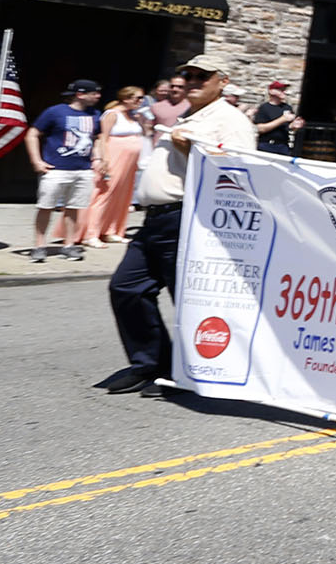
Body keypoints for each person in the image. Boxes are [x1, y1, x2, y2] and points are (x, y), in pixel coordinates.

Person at [103, 58, 255, 395]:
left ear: (223, 81)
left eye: (203, 76)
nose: (193, 80)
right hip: (156, 220)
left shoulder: (231, 120)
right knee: (126, 287)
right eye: (188, 74)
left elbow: (241, 173)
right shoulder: (191, 115)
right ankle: (150, 363)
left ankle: (187, 372)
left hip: (187, 217)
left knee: (187, 300)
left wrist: (192, 152)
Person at [25, 79, 102, 262]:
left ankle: (69, 245)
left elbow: (97, 138)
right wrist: (37, 161)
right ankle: (39, 246)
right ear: (80, 94)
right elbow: (32, 134)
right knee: (46, 207)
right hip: (56, 168)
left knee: (74, 208)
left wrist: (97, 158)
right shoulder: (55, 112)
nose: (98, 96)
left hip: (83, 169)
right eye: (94, 92)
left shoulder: (95, 114)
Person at [81, 86, 148, 247]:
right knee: (106, 193)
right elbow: (103, 138)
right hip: (114, 156)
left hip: (129, 161)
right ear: (126, 98)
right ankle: (91, 233)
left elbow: (145, 133)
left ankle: (112, 229)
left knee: (123, 195)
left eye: (141, 98)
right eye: (137, 98)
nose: (140, 101)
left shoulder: (133, 116)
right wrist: (103, 159)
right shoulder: (112, 114)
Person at [253, 79, 302, 157]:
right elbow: (261, 129)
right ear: (271, 91)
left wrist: (294, 126)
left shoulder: (287, 107)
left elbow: (288, 127)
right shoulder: (264, 107)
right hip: (267, 145)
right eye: (280, 90)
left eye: (284, 90)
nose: (284, 92)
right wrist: (282, 119)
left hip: (283, 146)